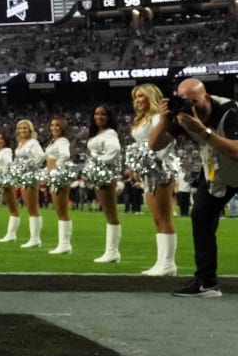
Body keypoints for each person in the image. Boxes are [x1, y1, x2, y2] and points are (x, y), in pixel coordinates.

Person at [152, 78, 234, 298]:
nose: (189, 106)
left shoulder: (229, 111)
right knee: (201, 215)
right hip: (219, 171)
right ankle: (206, 283)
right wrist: (164, 118)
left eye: (194, 101)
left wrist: (203, 131)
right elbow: (155, 144)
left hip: (231, 161)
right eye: (183, 101)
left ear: (206, 97)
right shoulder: (181, 115)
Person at [130, 83, 179, 277]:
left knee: (164, 217)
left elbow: (169, 142)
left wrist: (154, 159)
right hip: (148, 172)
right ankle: (161, 262)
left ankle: (168, 264)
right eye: (135, 97)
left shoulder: (160, 117)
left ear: (151, 97)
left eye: (141, 96)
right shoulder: (143, 119)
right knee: (156, 218)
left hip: (160, 170)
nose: (138, 100)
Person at [84, 104, 123, 264]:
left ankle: (112, 251)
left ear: (109, 117)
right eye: (96, 114)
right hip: (99, 174)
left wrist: (97, 162)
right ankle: (110, 251)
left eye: (103, 115)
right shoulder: (98, 133)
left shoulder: (110, 133)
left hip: (105, 175)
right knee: (107, 212)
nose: (99, 117)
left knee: (110, 213)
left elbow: (115, 151)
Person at [12, 119, 46, 248]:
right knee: (29, 207)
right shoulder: (21, 143)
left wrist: (29, 169)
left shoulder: (33, 142)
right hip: (23, 177)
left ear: (30, 130)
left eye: (25, 128)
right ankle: (34, 238)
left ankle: (35, 238)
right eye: (20, 128)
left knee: (33, 208)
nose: (22, 130)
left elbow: (41, 157)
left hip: (30, 177)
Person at [45, 116, 75, 255]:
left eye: (57, 125)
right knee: (59, 210)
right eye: (52, 125)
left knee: (62, 210)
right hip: (53, 177)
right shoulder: (53, 141)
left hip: (59, 177)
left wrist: (56, 169)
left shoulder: (62, 140)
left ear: (62, 128)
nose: (54, 128)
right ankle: (63, 243)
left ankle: (65, 244)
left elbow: (65, 155)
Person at [0, 132, 20, 243]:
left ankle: (11, 234)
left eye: (2, 138)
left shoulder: (7, 150)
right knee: (10, 207)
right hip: (2, 179)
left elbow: (8, 163)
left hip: (6, 179)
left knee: (13, 207)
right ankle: (10, 234)